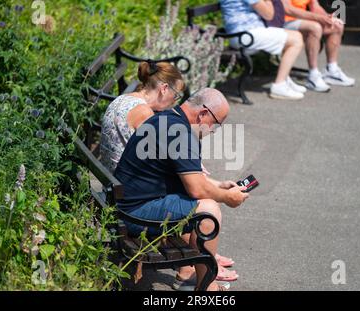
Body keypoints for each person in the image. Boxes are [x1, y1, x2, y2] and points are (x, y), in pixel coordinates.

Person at [114, 88, 250, 291]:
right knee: (208, 211)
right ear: (204, 114)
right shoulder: (181, 134)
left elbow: (190, 177)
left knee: (206, 204)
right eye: (217, 124)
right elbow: (196, 189)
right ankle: (207, 290)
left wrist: (219, 185)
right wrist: (226, 197)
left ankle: (203, 283)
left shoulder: (169, 119)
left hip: (127, 205)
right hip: (135, 214)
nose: (214, 131)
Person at [100, 61, 185, 174]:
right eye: (175, 95)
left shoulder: (122, 99)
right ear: (164, 88)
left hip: (112, 180)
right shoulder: (144, 112)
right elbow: (159, 157)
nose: (174, 102)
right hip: (125, 184)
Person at [220, 0, 306, 100]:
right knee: (296, 39)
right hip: (245, 35)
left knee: (293, 37)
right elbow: (269, 14)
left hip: (244, 33)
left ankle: (285, 78)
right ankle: (280, 85)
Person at [282, 0, 355, 92]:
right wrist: (317, 18)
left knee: (337, 24)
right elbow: (287, 9)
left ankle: (331, 70)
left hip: (301, 20)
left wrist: (327, 18)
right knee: (315, 28)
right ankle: (313, 76)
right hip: (283, 21)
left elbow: (314, 6)